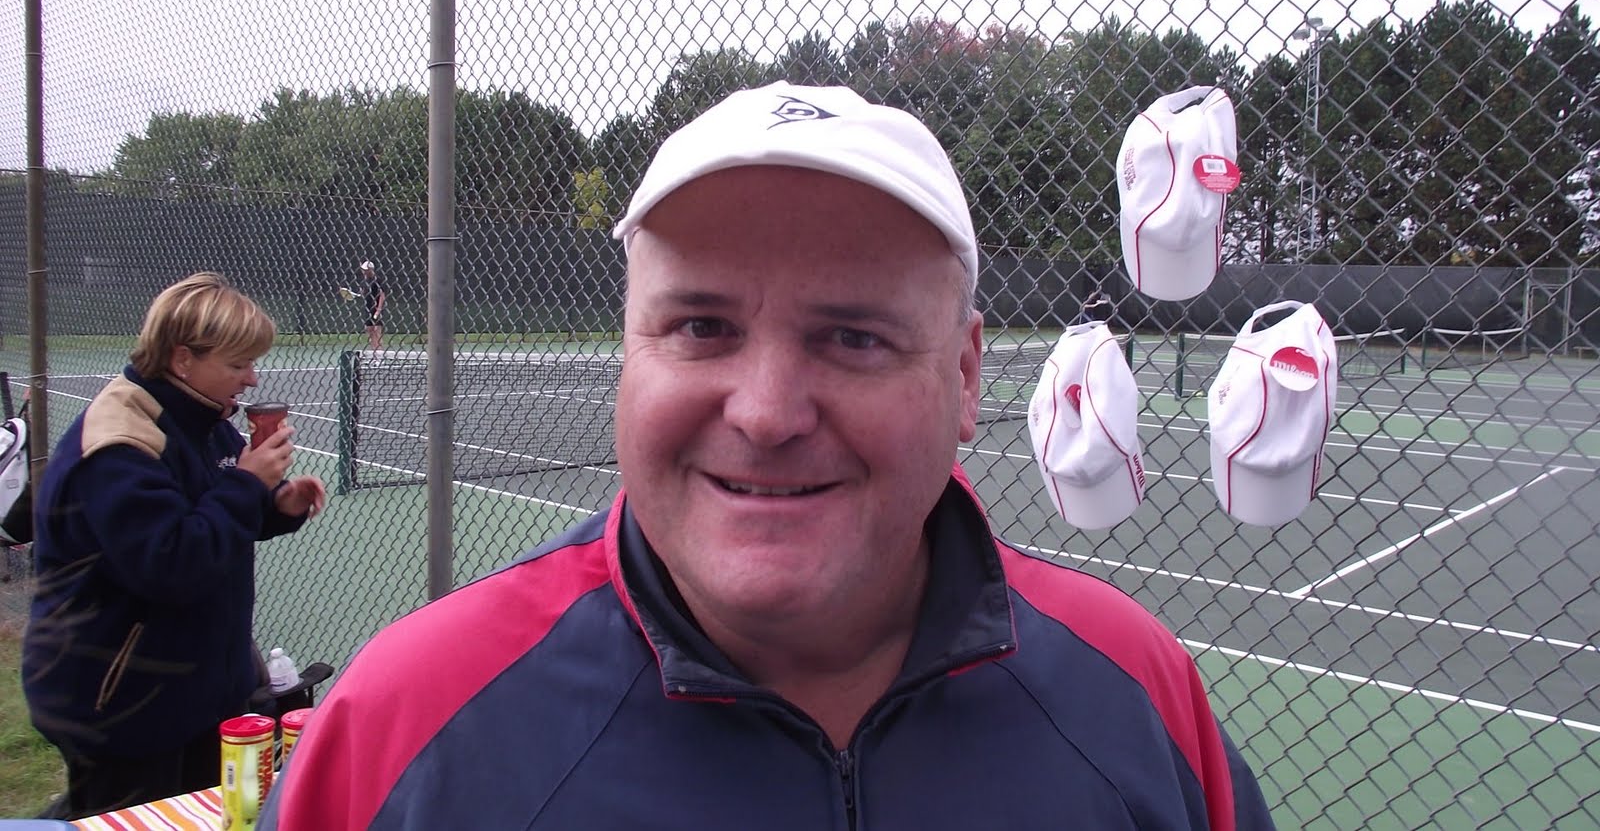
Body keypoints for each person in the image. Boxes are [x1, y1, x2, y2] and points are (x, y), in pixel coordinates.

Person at [262, 83, 1274, 829]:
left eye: (854, 336)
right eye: (701, 327)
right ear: (630, 350)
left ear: (966, 377)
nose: (766, 413)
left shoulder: (1137, 696)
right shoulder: (405, 726)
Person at [22, 271, 327, 819]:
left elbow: (210, 514)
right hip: (120, 705)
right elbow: (172, 563)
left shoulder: (202, 418)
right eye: (238, 364)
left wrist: (274, 505)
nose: (252, 379)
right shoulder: (119, 446)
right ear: (183, 358)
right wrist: (247, 485)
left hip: (191, 692)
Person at [359, 260, 386, 350]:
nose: (364, 271)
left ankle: (379, 352)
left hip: (376, 308)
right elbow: (364, 292)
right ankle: (374, 352)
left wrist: (379, 309)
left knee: (377, 331)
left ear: (371, 269)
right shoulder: (365, 281)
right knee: (370, 330)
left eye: (365, 270)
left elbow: (382, 295)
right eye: (363, 270)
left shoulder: (378, 280)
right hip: (368, 308)